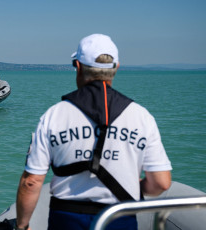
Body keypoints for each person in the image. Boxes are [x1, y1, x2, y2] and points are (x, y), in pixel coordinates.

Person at [15, 34, 172, 230]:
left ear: (78, 67)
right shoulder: (141, 116)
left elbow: (31, 182)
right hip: (119, 218)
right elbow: (161, 183)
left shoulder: (54, 115)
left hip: (67, 219)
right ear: (116, 68)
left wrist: (22, 226)